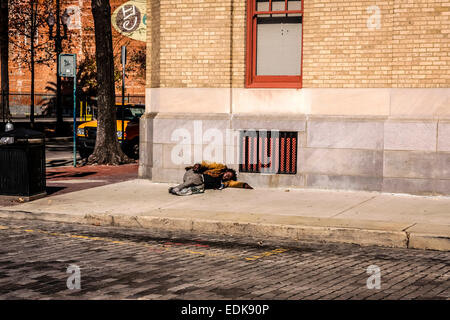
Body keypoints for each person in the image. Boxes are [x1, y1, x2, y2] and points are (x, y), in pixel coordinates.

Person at [169, 161, 253, 196]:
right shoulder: (219, 169)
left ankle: (183, 191)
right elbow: (208, 165)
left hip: (199, 184)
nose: (226, 176)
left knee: (200, 188)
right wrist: (199, 166)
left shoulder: (224, 183)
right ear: (226, 171)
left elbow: (234, 184)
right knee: (196, 180)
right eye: (227, 174)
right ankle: (176, 188)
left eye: (228, 177)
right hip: (193, 174)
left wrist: (244, 185)